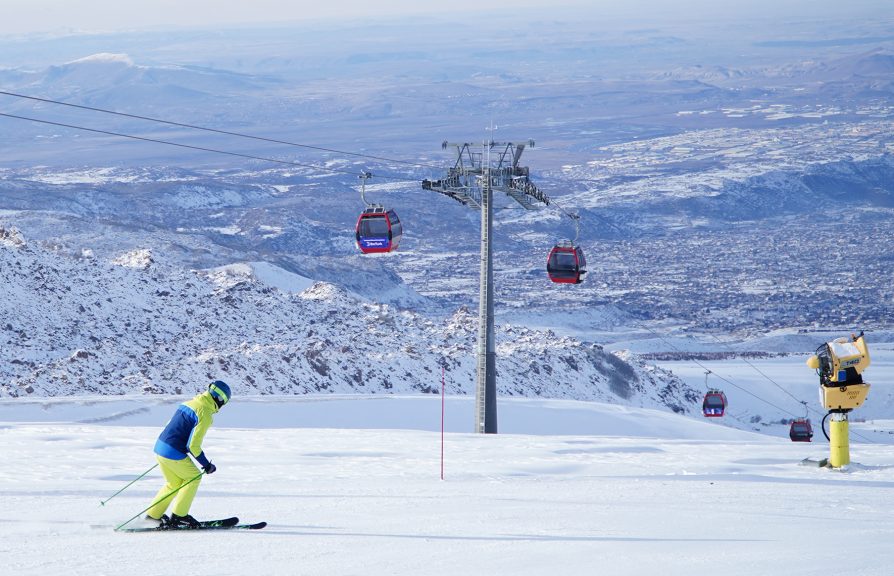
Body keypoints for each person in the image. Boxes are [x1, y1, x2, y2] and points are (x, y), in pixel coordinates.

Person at [144, 380, 231, 528]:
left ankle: (153, 516)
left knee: (174, 484)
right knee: (193, 478)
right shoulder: (205, 412)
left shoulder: (190, 403)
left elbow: (171, 425)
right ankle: (179, 516)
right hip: (173, 451)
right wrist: (206, 465)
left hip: (161, 447)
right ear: (219, 398)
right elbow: (193, 445)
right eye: (224, 401)